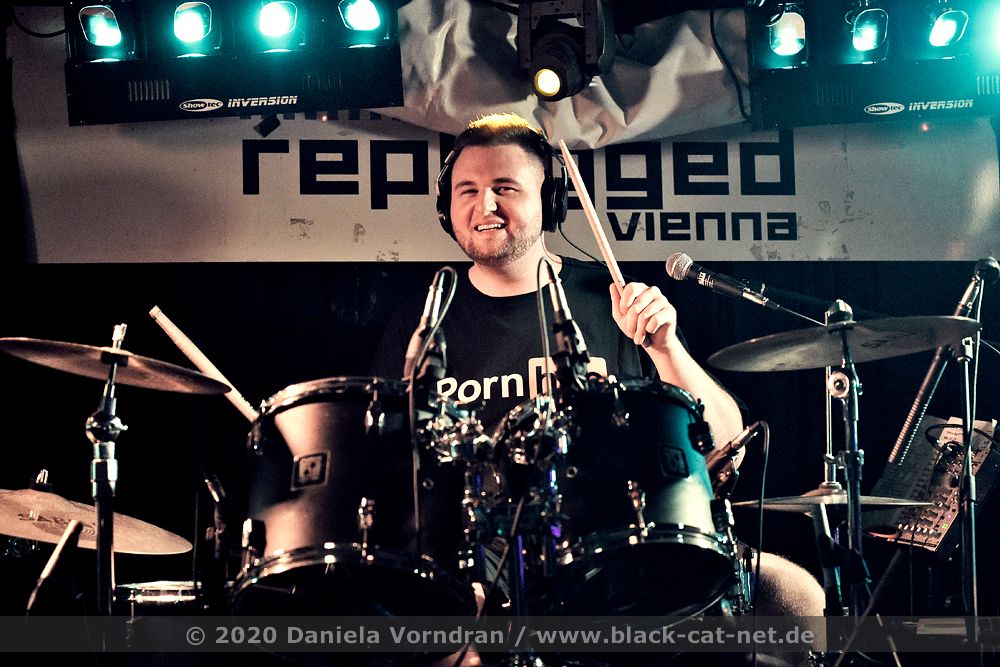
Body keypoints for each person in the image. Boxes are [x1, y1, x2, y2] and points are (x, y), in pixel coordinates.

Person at [371, 113, 824, 665]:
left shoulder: (614, 301)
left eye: (505, 188)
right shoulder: (421, 321)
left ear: (550, 202)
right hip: (486, 562)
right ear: (447, 208)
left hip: (617, 548)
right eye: (468, 190)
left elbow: (725, 446)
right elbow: (393, 472)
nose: (484, 205)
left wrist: (665, 348)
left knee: (794, 598)